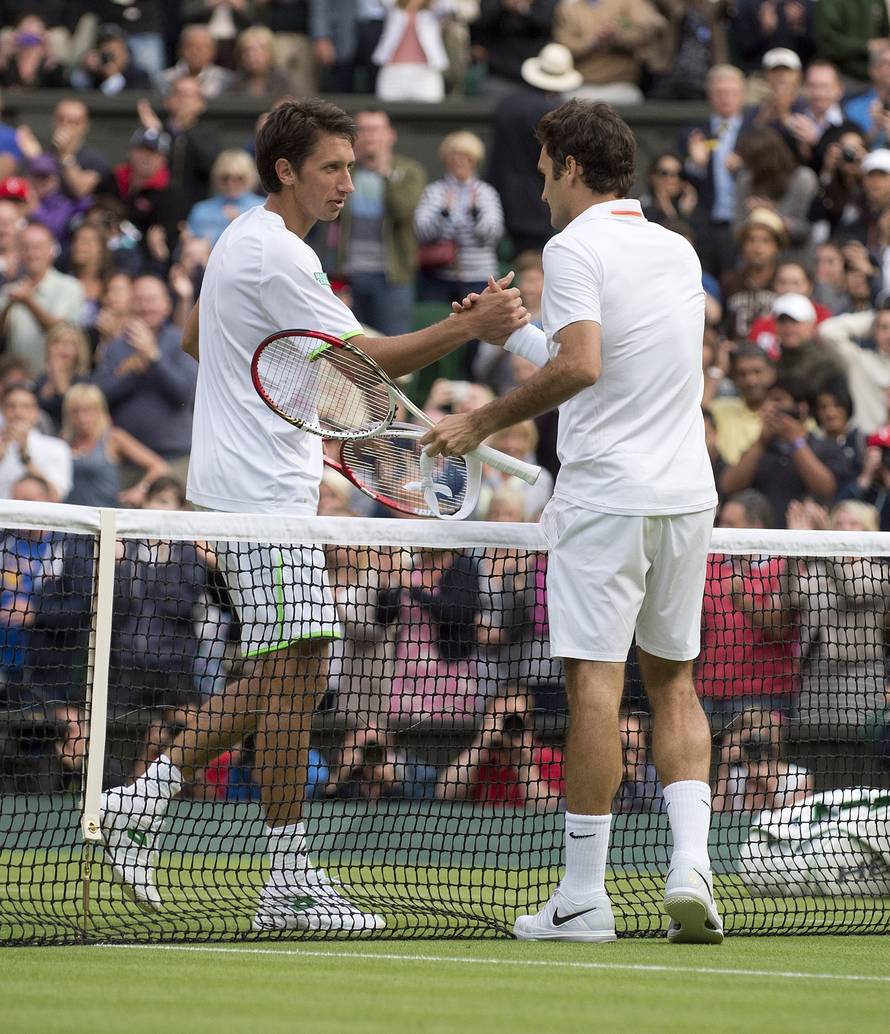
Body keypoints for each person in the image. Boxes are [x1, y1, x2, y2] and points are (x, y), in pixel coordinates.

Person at [98, 97, 528, 933]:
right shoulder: (279, 255)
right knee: (294, 674)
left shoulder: (243, 241)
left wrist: (298, 403)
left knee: (294, 674)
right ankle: (210, 840)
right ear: (286, 170)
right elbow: (371, 359)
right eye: (331, 167)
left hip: (261, 485)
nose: (346, 183)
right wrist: (469, 326)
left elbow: (198, 339)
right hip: (259, 495)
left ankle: (224, 846)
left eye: (351, 167)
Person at [424, 100, 722, 944]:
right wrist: (518, 332)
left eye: (545, 169)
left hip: (606, 498)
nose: (541, 187)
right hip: (684, 495)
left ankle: (585, 897)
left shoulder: (571, 247)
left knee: (596, 685)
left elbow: (584, 365)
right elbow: (611, 360)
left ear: (570, 167)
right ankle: (691, 866)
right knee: (674, 684)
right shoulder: (676, 248)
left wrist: (480, 421)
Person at [91, 274, 197, 487]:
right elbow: (99, 396)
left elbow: (186, 393)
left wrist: (154, 359)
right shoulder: (115, 347)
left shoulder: (180, 341)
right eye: (139, 300)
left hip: (176, 459)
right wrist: (135, 371)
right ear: (130, 305)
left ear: (167, 305)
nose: (145, 306)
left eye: (151, 300)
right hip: (127, 463)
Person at [332, 109, 426, 337]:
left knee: (395, 344)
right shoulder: (345, 172)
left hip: (392, 277)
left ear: (390, 135)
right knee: (350, 347)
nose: (370, 137)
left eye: (375, 130)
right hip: (350, 275)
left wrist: (385, 174)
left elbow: (403, 211)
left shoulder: (408, 171)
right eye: (363, 130)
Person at [435, 687, 564, 809]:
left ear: (529, 725)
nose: (508, 727)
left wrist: (525, 764)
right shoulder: (483, 757)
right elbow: (445, 793)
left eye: (514, 720)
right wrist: (479, 745)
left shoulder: (550, 758)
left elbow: (549, 808)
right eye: (500, 719)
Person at [60, 383, 169, 508]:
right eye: (75, 411)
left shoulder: (113, 438)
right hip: (69, 515)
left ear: (100, 411)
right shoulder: (62, 442)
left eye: (88, 410)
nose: (82, 417)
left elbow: (159, 467)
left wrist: (141, 490)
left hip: (105, 514)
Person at [0, 221, 84, 372]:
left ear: (51, 250)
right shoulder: (11, 289)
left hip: (54, 378)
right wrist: (8, 306)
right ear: (18, 252)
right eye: (25, 247)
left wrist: (28, 302)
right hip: (18, 379)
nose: (31, 253)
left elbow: (59, 330)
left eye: (37, 247)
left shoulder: (70, 287)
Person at [0, 383, 72, 501]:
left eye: (25, 407)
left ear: (36, 412)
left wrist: (25, 458)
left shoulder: (57, 447)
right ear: (2, 411)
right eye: (11, 406)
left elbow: (55, 496)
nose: (18, 412)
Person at [186, 150, 265, 246]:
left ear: (250, 178)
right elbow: (183, 247)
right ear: (217, 178)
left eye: (239, 178)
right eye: (225, 178)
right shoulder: (201, 210)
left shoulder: (263, 208)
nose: (231, 183)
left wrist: (242, 225)